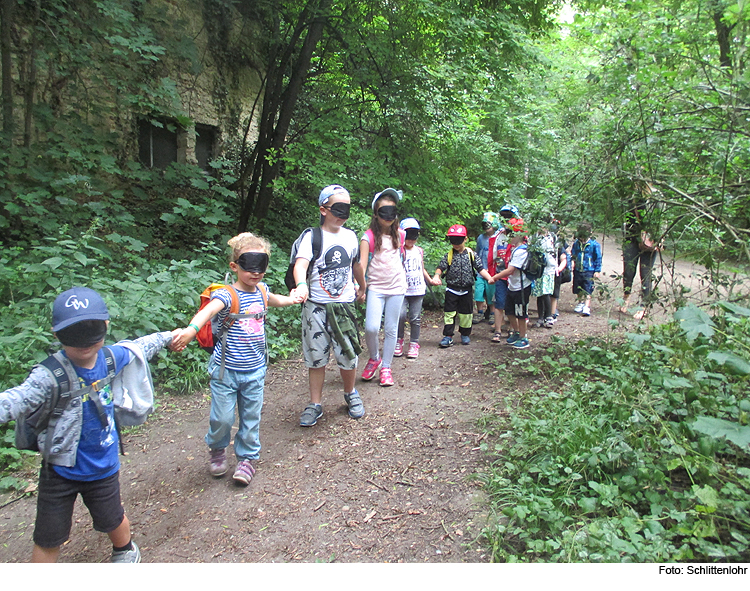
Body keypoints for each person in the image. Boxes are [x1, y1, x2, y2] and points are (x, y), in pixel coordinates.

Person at [0, 286, 179, 563]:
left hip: (103, 466)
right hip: (58, 469)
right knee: (48, 535)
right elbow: (18, 399)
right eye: (74, 332)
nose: (84, 340)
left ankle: (125, 550)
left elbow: (139, 347)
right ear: (57, 333)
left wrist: (170, 336)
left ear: (106, 325)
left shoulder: (109, 358)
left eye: (91, 329)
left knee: (112, 517)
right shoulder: (49, 376)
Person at [174, 233, 303, 484]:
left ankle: (247, 459)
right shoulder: (226, 295)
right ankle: (217, 448)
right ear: (235, 266)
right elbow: (208, 311)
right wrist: (191, 330)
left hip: (254, 370)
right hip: (226, 371)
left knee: (251, 417)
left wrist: (294, 298)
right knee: (222, 418)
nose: (255, 273)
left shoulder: (262, 290)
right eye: (249, 266)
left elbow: (276, 300)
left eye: (261, 266)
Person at [291, 185, 366, 427]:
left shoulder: (351, 237)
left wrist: (362, 286)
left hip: (343, 306)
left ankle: (350, 393)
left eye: (347, 209)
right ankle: (315, 404)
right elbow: (300, 265)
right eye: (338, 208)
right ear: (324, 209)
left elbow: (356, 266)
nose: (343, 214)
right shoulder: (312, 237)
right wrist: (301, 285)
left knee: (348, 354)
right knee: (316, 357)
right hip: (316, 307)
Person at [359, 189, 407, 387]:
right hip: (376, 288)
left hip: (397, 287)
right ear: (376, 214)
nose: (388, 216)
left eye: (392, 210)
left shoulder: (401, 235)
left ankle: (386, 367)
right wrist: (360, 286)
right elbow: (361, 266)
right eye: (383, 211)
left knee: (391, 329)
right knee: (370, 328)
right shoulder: (368, 237)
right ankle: (374, 357)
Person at [432, 224, 493, 347]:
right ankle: (448, 336)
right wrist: (437, 276)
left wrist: (490, 278)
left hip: (466, 290)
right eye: (453, 240)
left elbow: (480, 268)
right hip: (451, 289)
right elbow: (441, 267)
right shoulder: (449, 255)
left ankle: (465, 334)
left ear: (465, 239)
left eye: (458, 240)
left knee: (466, 314)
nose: (456, 243)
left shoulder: (471, 255)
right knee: (449, 313)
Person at [620, 180, 662, 320]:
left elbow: (661, 219)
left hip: (650, 238)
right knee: (629, 270)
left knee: (646, 273)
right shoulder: (632, 196)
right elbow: (626, 217)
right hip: (631, 237)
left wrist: (659, 237)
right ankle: (626, 297)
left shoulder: (657, 197)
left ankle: (643, 306)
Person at [395, 218, 436, 359]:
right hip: (402, 289)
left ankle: (414, 343)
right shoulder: (398, 251)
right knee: (400, 315)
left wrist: (430, 280)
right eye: (408, 235)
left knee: (415, 318)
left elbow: (421, 268)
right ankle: (399, 340)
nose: (411, 240)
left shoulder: (419, 251)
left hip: (417, 289)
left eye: (414, 236)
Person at [490, 218, 533, 349]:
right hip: (512, 286)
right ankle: (516, 332)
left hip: (521, 287)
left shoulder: (522, 251)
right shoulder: (515, 249)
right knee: (509, 310)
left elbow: (510, 270)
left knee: (521, 313)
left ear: (518, 235)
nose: (509, 238)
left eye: (511, 235)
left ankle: (523, 337)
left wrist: (495, 277)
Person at [570, 222, 602, 317]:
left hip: (589, 269)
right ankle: (580, 302)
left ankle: (587, 306)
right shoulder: (576, 243)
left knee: (588, 287)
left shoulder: (594, 244)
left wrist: (597, 270)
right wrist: (573, 262)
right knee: (578, 286)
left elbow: (598, 257)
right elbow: (573, 254)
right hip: (578, 269)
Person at [487, 219, 511, 342]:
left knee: (512, 304)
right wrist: (492, 273)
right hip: (500, 275)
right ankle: (498, 330)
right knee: (499, 302)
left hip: (514, 276)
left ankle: (512, 329)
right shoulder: (498, 235)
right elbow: (492, 253)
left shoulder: (519, 235)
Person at [473, 212, 500, 324]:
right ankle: (480, 312)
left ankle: (493, 313)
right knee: (478, 292)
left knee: (491, 293)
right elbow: (478, 253)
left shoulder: (498, 237)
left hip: (493, 271)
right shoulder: (481, 238)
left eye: (488, 224)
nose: (486, 227)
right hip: (481, 270)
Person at [530, 224, 558, 328]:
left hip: (549, 269)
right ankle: (540, 317)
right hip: (538, 269)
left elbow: (556, 252)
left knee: (546, 293)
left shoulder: (552, 237)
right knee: (539, 294)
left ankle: (549, 316)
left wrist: (556, 267)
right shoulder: (534, 237)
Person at [549, 222, 569, 321]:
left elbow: (563, 258)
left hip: (555, 272)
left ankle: (552, 313)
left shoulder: (559, 244)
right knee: (545, 294)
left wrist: (559, 269)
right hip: (546, 272)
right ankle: (546, 313)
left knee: (554, 294)